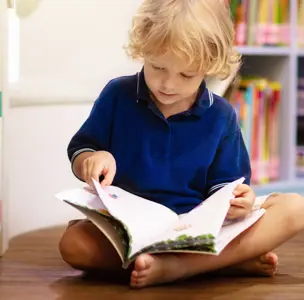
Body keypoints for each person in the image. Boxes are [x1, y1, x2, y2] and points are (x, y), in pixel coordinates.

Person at [59, 0, 304, 289]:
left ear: (210, 66)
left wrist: (240, 201)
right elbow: (82, 148)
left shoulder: (221, 115)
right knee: (73, 245)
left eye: (186, 74)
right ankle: (220, 263)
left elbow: (226, 188)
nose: (168, 84)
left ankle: (179, 266)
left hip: (196, 231)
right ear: (143, 50)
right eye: (158, 67)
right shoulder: (117, 95)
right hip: (130, 229)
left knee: (295, 208)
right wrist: (91, 158)